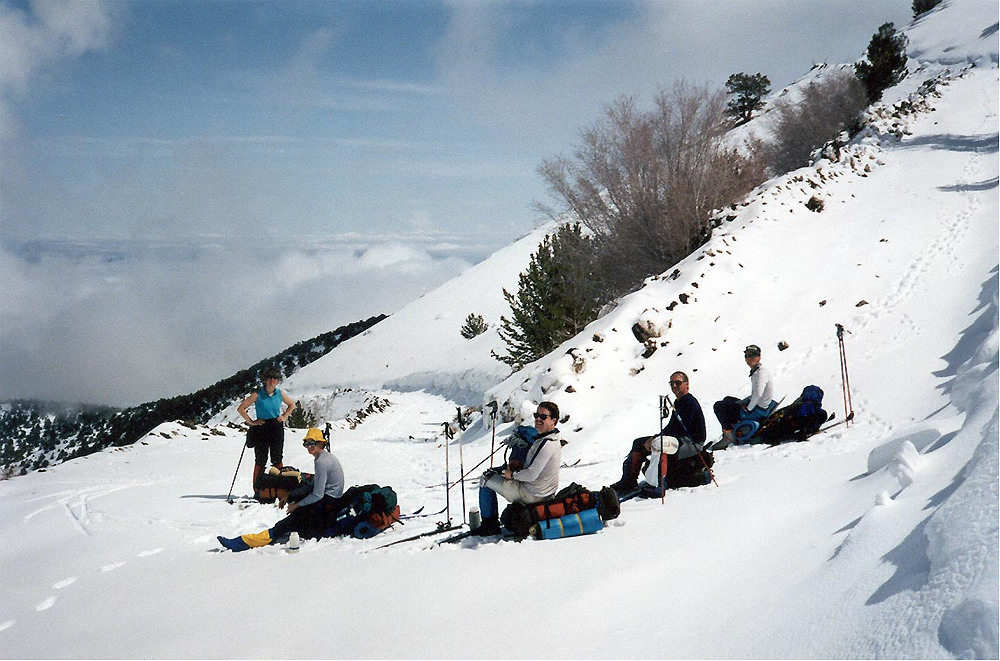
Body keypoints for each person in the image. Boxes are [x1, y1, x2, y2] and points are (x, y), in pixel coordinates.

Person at [218, 428, 346, 552]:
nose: (309, 447)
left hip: (328, 501)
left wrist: (296, 506)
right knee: (298, 509)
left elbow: (317, 495)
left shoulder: (321, 462)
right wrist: (290, 495)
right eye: (306, 444)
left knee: (288, 522)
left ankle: (244, 542)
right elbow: (314, 485)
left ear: (321, 443)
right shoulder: (325, 457)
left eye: (312, 443)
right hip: (331, 498)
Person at [472, 401, 564, 536]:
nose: (538, 419)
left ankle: (489, 525)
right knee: (496, 475)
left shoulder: (547, 445)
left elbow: (532, 474)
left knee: (485, 480)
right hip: (545, 493)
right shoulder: (550, 439)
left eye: (543, 417)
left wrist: (512, 475)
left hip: (532, 495)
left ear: (553, 420)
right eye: (536, 415)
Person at [610, 371, 707, 496]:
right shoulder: (679, 402)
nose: (674, 386)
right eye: (671, 383)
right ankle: (628, 481)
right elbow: (673, 426)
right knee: (639, 443)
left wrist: (656, 438)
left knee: (659, 444)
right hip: (681, 440)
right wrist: (655, 437)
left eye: (677, 383)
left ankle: (658, 485)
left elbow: (678, 429)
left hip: (692, 442)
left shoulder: (689, 402)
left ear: (687, 384)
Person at [238, 366, 296, 490]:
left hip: (276, 427)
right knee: (261, 459)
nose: (272, 381)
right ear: (265, 380)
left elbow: (292, 404)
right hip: (261, 428)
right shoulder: (257, 394)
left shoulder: (280, 394)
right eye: (269, 378)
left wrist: (285, 415)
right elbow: (241, 408)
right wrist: (252, 422)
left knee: (277, 458)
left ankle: (279, 488)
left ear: (278, 381)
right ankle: (258, 489)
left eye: (275, 378)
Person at [712, 344, 774, 449]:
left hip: (757, 411)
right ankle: (735, 428)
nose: (749, 358)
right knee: (728, 400)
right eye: (747, 356)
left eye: (752, 355)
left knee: (719, 406)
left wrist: (748, 409)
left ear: (759, 357)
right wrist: (744, 402)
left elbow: (758, 394)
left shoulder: (761, 373)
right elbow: (756, 393)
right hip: (760, 406)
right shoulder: (759, 371)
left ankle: (728, 437)